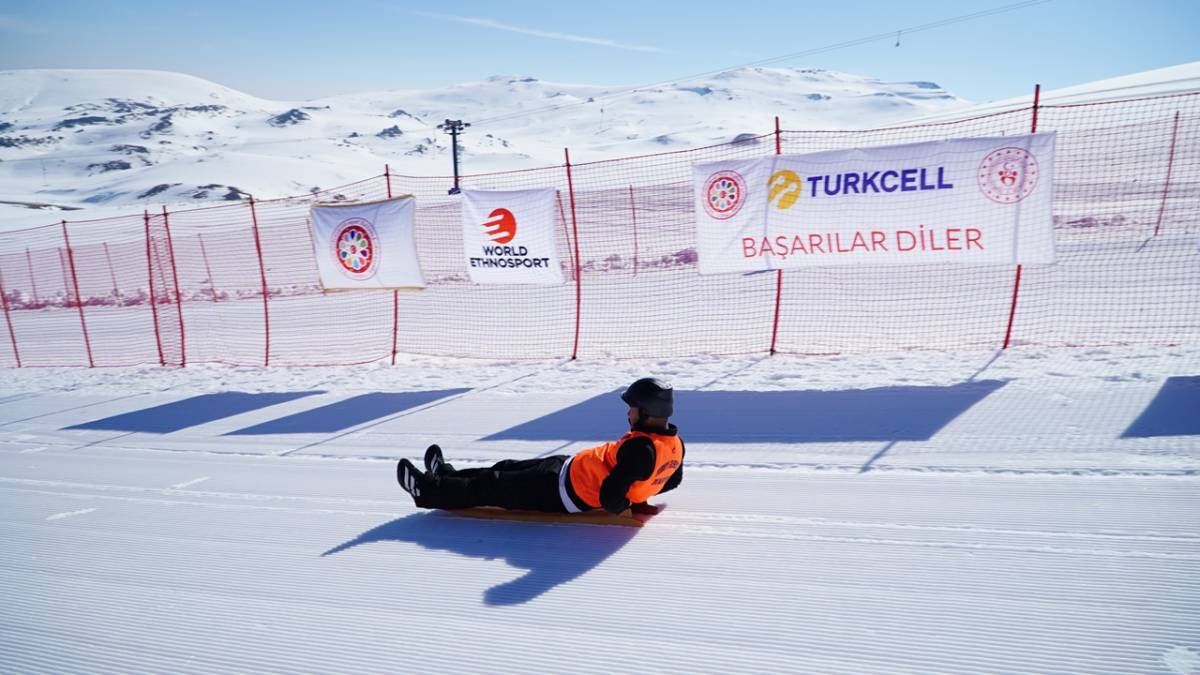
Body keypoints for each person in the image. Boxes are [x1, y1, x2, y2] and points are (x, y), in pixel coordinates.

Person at [397, 377, 684, 515]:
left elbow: (611, 498)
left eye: (632, 408)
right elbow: (670, 479)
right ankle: (446, 475)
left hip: (559, 492)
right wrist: (639, 497)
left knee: (492, 486)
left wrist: (627, 503)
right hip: (565, 467)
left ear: (645, 411)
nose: (628, 413)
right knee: (502, 469)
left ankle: (428, 492)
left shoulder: (641, 450)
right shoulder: (673, 444)